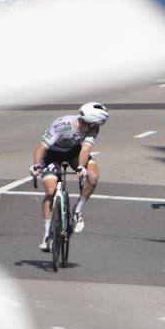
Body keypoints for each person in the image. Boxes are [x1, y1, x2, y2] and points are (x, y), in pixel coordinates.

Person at [30, 102, 109, 249]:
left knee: (93, 175)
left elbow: (85, 150)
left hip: (74, 152)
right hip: (52, 155)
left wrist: (80, 167)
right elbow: (41, 148)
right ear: (89, 122)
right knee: (50, 191)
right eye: (95, 124)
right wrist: (36, 165)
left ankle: (77, 210)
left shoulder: (94, 127)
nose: (97, 128)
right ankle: (47, 234)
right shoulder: (62, 125)